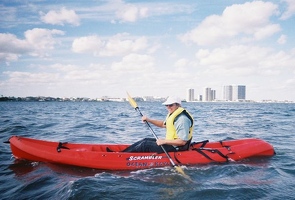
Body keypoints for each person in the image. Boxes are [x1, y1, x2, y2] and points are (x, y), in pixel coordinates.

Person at [120, 96, 194, 153]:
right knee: (145, 140)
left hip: (177, 147)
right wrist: (149, 120)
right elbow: (163, 124)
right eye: (167, 105)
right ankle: (122, 153)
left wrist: (164, 141)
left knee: (145, 144)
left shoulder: (182, 120)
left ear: (178, 105)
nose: (168, 107)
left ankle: (121, 156)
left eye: (171, 105)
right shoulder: (173, 114)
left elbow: (182, 141)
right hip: (171, 144)